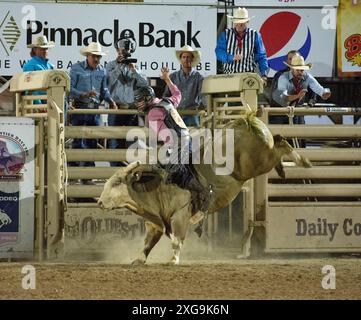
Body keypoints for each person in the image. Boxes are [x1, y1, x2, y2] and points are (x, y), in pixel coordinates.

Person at [133, 67, 210, 232]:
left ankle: (202, 193)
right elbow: (178, 95)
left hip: (177, 143)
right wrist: (167, 79)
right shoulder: (166, 102)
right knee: (175, 169)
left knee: (173, 173)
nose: (138, 104)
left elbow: (164, 135)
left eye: (139, 100)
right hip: (186, 139)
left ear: (147, 99)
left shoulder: (152, 114)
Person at [69, 42, 117, 183]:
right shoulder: (76, 69)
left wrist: (110, 100)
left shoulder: (102, 71)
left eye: (98, 57)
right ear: (88, 56)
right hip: (79, 108)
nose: (96, 59)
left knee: (92, 142)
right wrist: (83, 94)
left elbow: (104, 91)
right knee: (78, 141)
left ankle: (87, 175)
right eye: (94, 56)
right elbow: (69, 88)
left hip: (94, 110)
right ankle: (74, 173)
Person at [106, 37, 148, 166]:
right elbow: (108, 82)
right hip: (116, 108)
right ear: (117, 50)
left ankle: (133, 171)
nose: (123, 53)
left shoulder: (134, 65)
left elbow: (144, 84)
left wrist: (134, 70)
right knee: (114, 141)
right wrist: (119, 66)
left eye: (125, 51)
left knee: (133, 142)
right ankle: (115, 171)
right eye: (121, 50)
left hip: (131, 109)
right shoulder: (110, 65)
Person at [215, 7, 269, 82]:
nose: (239, 24)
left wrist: (264, 74)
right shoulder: (225, 34)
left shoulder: (255, 35)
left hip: (249, 76)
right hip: (229, 76)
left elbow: (261, 56)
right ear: (233, 22)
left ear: (247, 22)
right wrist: (231, 57)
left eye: (242, 22)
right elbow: (219, 52)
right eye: (237, 22)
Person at [269, 50, 317, 124]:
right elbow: (274, 96)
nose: (292, 61)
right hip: (280, 113)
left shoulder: (305, 77)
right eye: (290, 59)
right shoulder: (279, 75)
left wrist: (310, 104)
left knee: (299, 134)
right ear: (287, 61)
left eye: (294, 59)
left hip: (297, 113)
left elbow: (314, 93)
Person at [163, 45, 205, 127]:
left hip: (192, 113)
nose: (186, 59)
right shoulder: (173, 77)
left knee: (194, 136)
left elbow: (202, 96)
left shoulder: (199, 77)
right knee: (175, 137)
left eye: (188, 57)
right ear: (181, 59)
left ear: (192, 59)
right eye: (184, 57)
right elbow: (166, 95)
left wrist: (201, 108)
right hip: (176, 113)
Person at [23, 36, 55, 105]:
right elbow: (30, 87)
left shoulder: (50, 66)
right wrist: (39, 104)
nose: (45, 51)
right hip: (41, 101)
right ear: (35, 50)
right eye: (42, 49)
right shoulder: (30, 66)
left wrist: (65, 104)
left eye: (46, 48)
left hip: (51, 100)